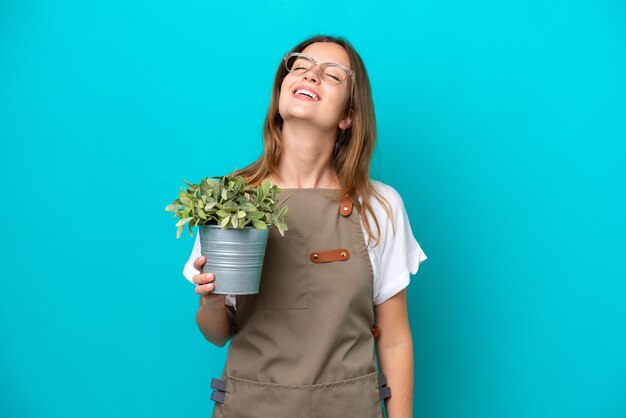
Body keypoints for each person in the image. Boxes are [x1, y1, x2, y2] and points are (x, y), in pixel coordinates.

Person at [182, 34, 427, 418]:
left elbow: (394, 339)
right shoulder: (230, 202)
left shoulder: (380, 207)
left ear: (348, 115)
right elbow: (217, 333)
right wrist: (210, 301)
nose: (310, 75)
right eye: (299, 66)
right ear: (281, 93)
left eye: (332, 75)